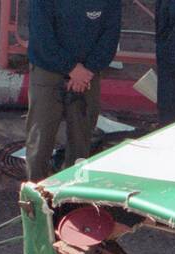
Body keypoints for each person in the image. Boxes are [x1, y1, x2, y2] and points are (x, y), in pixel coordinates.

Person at [25, 0, 123, 182]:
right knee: (41, 137)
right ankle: (35, 196)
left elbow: (110, 36)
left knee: (81, 138)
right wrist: (72, 69)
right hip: (48, 70)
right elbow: (42, 36)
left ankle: (73, 194)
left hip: (88, 73)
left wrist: (88, 70)